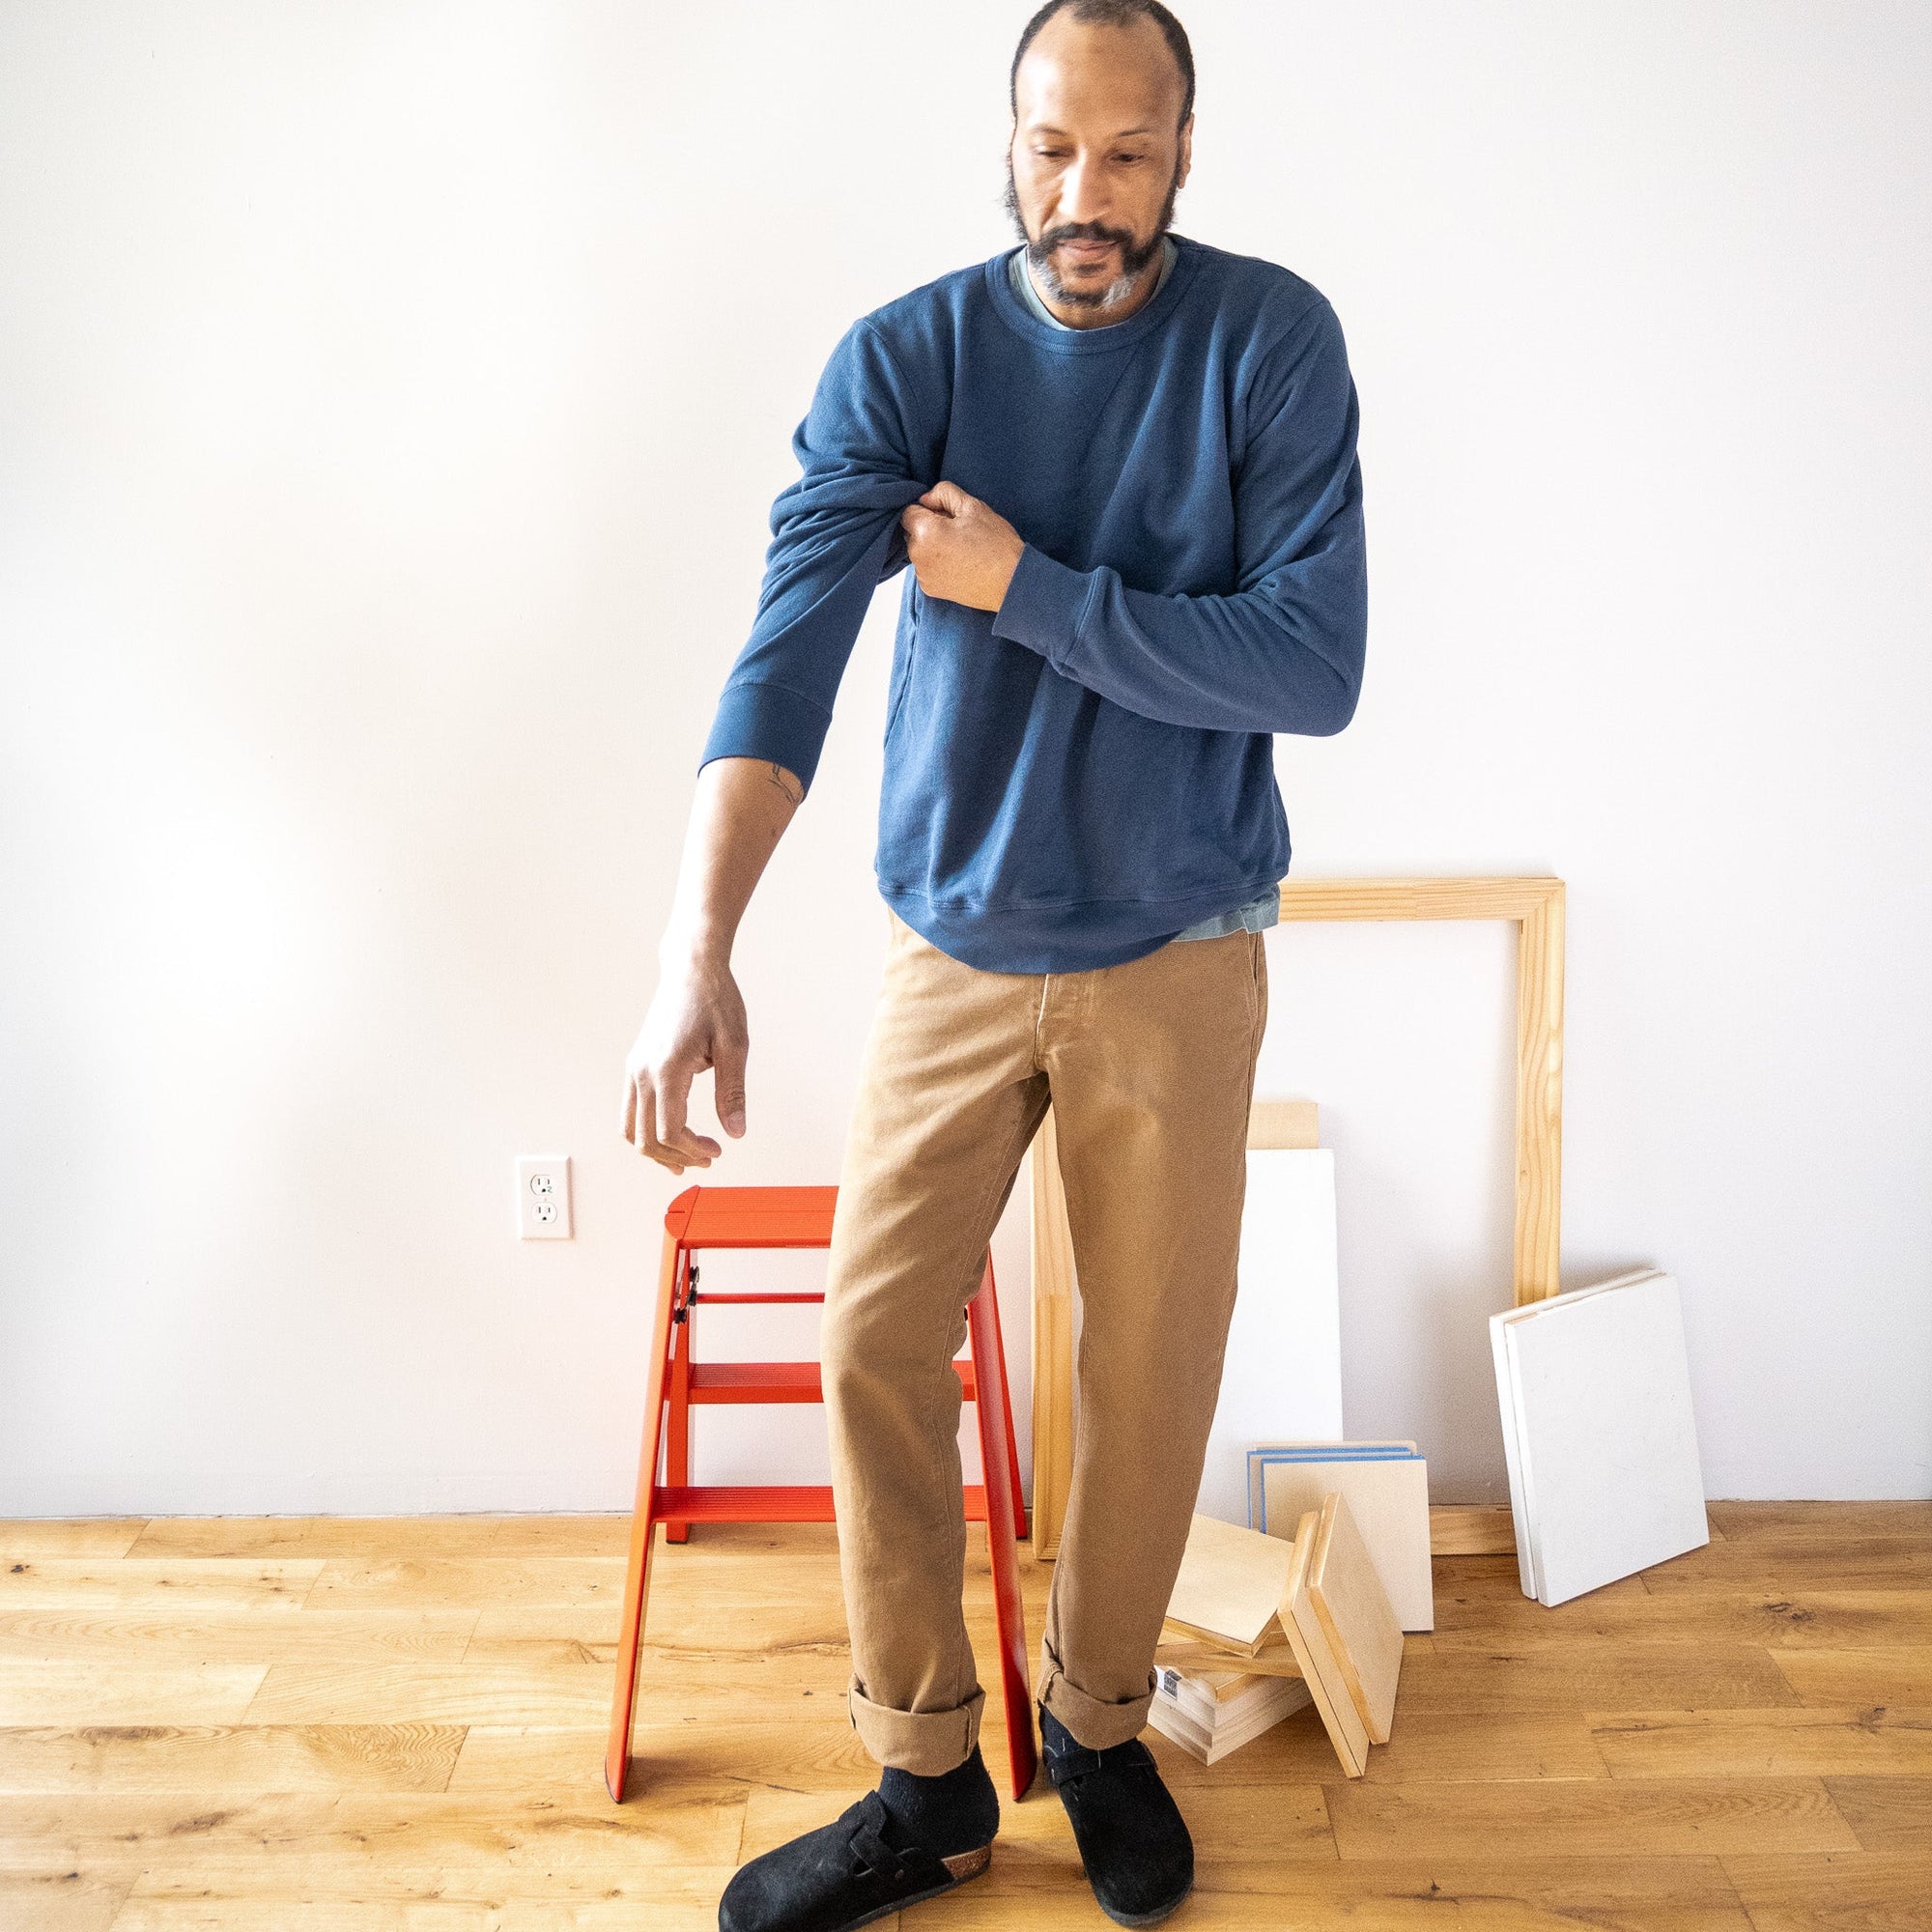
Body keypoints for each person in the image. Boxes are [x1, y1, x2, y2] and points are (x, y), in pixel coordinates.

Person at [620, 3, 1367, 1925]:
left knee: (1149, 1367)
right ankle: (927, 1778)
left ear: (1183, 150)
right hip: (950, 943)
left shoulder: (1270, 343)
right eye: (1051, 148)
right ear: (1006, 141)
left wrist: (1025, 588)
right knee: (874, 1340)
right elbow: (783, 660)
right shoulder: (908, 359)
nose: (1084, 193)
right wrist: (696, 945)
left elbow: (1312, 666)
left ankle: (1101, 1729)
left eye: (1126, 151)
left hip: (1181, 943)